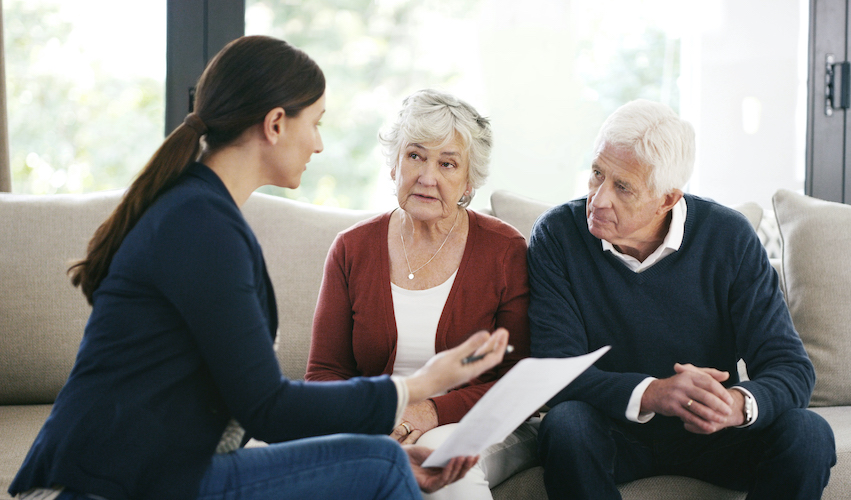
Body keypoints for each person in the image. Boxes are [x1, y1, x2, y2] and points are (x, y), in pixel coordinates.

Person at [8, 36, 513, 500]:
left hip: (153, 469)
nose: (318, 143)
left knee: (382, 462)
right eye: (314, 123)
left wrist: (368, 450)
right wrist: (419, 385)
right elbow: (267, 408)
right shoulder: (200, 226)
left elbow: (256, 405)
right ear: (275, 125)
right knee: (382, 465)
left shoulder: (199, 211)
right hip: (108, 484)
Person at [527, 99, 836, 499]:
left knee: (809, 433)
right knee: (566, 426)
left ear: (668, 199)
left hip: (717, 437)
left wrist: (735, 405)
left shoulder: (729, 237)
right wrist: (653, 392)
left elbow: (791, 368)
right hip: (614, 431)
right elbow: (554, 372)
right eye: (597, 174)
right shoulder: (557, 236)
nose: (599, 199)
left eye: (622, 187)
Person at [306, 89, 538, 499]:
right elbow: (324, 372)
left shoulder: (504, 250)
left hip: (476, 420)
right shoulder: (352, 248)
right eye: (415, 156)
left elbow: (518, 380)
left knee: (442, 471)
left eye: (447, 163)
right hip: (377, 421)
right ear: (395, 165)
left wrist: (428, 411)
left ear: (468, 182)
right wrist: (375, 421)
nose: (427, 177)